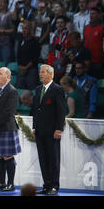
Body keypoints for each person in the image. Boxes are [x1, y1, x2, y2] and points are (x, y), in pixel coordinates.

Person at [32, 64, 67, 195]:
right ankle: (46, 185)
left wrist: (59, 129)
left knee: (53, 159)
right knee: (43, 159)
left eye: (43, 72)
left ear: (51, 74)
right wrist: (34, 126)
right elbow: (35, 110)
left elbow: (61, 111)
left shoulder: (57, 89)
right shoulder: (38, 89)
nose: (40, 74)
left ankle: (54, 186)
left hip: (52, 131)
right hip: (40, 130)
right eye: (40, 72)